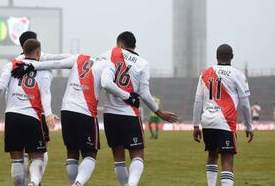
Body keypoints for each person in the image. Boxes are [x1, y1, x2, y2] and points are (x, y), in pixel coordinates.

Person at [15, 53, 140, 186]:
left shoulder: (80, 57)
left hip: (67, 110)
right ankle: (78, 184)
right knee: (90, 155)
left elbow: (56, 63)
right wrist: (128, 96)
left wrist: (29, 65)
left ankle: (72, 183)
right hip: (85, 111)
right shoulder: (108, 64)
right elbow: (107, 83)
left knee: (72, 152)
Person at [100, 31, 178, 186]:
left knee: (119, 159)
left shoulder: (110, 54)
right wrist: (159, 112)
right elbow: (144, 93)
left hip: (110, 114)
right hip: (129, 114)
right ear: (134, 45)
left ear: (120, 44)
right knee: (137, 156)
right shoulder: (142, 63)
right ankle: (132, 184)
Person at [0, 39, 57, 186]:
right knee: (37, 158)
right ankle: (34, 182)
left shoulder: (10, 65)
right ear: (38, 52)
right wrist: (48, 113)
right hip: (32, 117)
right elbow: (45, 94)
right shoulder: (44, 70)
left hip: (12, 116)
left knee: (17, 160)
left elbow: (0, 88)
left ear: (23, 51)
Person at [192, 44, 254, 186]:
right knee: (227, 159)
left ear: (216, 56)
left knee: (212, 155)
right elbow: (245, 104)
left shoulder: (206, 73)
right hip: (225, 122)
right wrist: (249, 126)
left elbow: (197, 101)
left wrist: (196, 125)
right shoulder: (237, 74)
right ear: (232, 56)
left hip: (207, 121)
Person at [17, 31, 71, 185]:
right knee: (41, 151)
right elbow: (61, 57)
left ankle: (27, 181)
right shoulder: (41, 56)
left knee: (22, 153)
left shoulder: (14, 63)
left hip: (17, 112)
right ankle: (36, 181)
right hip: (36, 112)